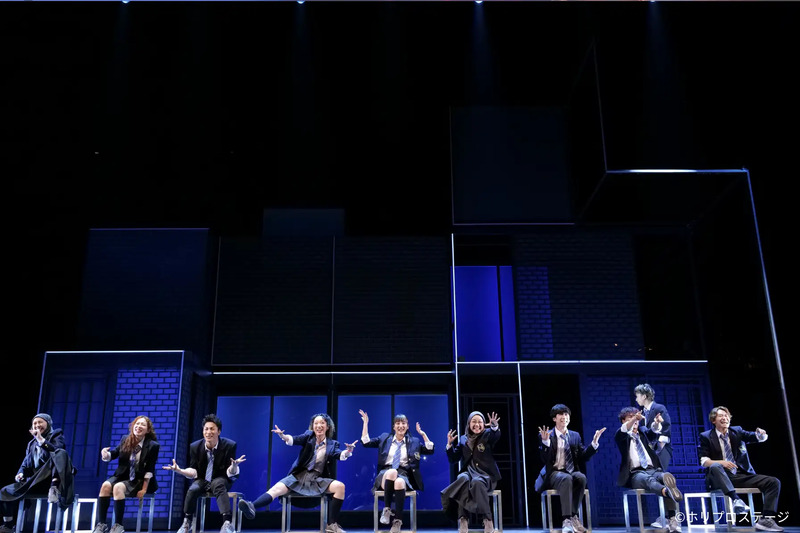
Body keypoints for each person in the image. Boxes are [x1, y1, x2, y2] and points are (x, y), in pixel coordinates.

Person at [237, 413, 357, 533]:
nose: (318, 425)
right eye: (316, 423)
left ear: (328, 426)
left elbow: (340, 455)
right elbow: (294, 440)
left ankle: (331, 525)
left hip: (317, 479)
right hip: (299, 476)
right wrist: (283, 436)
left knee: (340, 487)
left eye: (322, 423)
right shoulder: (308, 436)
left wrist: (348, 451)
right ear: (313, 426)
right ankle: (252, 506)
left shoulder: (333, 444)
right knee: (275, 489)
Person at [698, 406, 783, 532]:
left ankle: (766, 520)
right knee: (715, 465)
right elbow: (704, 461)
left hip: (739, 475)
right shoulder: (706, 436)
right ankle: (736, 500)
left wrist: (761, 435)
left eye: (726, 415)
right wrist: (722, 463)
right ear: (713, 420)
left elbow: (755, 437)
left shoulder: (737, 431)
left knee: (773, 482)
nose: (725, 418)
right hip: (719, 477)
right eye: (721, 416)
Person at [163, 414, 246, 533]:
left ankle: (227, 523)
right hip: (202, 479)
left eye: (212, 429)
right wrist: (180, 470)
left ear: (219, 431)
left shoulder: (229, 445)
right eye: (206, 429)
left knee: (218, 484)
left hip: (222, 478)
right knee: (193, 489)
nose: (208, 432)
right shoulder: (195, 447)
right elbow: (194, 471)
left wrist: (234, 466)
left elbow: (230, 473)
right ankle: (187, 521)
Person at [359, 410, 434, 533]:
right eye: (398, 423)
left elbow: (430, 450)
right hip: (385, 474)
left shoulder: (414, 441)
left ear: (407, 426)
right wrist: (365, 423)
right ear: (394, 427)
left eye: (403, 423)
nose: (400, 426)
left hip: (403, 474)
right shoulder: (384, 438)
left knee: (399, 482)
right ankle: (387, 509)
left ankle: (397, 521)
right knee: (392, 472)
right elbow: (366, 442)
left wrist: (423, 434)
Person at [534, 404, 605, 533]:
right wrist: (546, 443)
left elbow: (583, 456)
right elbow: (544, 459)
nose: (564, 417)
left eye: (566, 414)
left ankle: (573, 517)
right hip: (554, 473)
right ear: (554, 418)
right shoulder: (547, 435)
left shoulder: (574, 435)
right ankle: (566, 520)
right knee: (566, 478)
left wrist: (594, 444)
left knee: (581, 478)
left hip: (571, 471)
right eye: (560, 414)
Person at [0, 413, 76, 533]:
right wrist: (21, 473)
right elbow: (26, 463)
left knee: (60, 453)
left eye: (40, 422)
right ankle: (8, 525)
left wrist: (41, 440)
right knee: (5, 491)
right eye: (34, 423)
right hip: (36, 481)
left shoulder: (56, 434)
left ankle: (54, 487)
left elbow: (57, 452)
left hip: (51, 480)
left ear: (48, 423)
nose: (37, 425)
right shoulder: (31, 444)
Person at [615, 407, 682, 533]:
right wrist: (635, 418)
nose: (635, 420)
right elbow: (624, 429)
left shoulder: (643, 432)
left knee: (665, 477)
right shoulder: (621, 436)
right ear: (623, 420)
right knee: (648, 480)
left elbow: (653, 432)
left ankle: (672, 518)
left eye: (636, 417)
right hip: (635, 473)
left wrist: (657, 422)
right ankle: (667, 492)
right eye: (630, 417)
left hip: (653, 469)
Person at [92, 416, 161, 533]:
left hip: (138, 479)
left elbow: (150, 469)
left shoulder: (153, 445)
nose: (138, 426)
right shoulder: (125, 439)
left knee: (118, 487)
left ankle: (118, 525)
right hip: (122, 476)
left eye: (142, 425)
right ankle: (101, 524)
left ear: (148, 430)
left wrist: (144, 489)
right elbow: (114, 453)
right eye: (137, 424)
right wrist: (106, 455)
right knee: (105, 486)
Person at [441, 411, 501, 533]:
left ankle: (488, 519)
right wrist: (449, 445)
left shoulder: (488, 434)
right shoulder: (463, 439)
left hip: (486, 475)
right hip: (469, 472)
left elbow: (495, 435)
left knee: (476, 482)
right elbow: (453, 459)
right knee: (463, 479)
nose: (477, 424)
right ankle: (463, 519)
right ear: (469, 424)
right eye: (474, 422)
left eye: (480, 422)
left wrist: (494, 426)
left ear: (484, 424)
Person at [633, 383, 673, 529]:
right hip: (651, 451)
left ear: (644, 396)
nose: (636, 399)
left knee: (663, 478)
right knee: (657, 480)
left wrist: (659, 448)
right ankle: (666, 516)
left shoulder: (658, 408)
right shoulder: (643, 412)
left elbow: (666, 428)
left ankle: (669, 517)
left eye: (637, 396)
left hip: (661, 450)